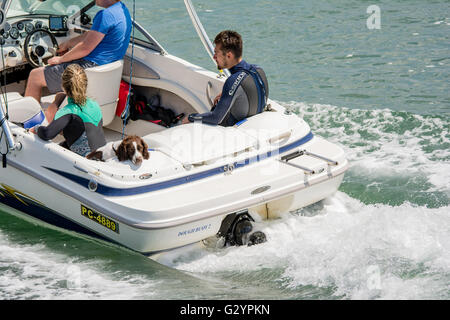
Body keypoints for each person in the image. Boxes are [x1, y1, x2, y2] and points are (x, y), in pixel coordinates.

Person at [25, 0, 132, 107]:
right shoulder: (122, 11)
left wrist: (60, 59)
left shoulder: (105, 15)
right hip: (104, 69)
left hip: (89, 67)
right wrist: (68, 44)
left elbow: (85, 48)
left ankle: (30, 120)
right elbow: (91, 35)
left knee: (35, 76)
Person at [184, 30, 269, 126]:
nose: (214, 57)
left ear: (229, 55)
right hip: (255, 123)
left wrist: (191, 117)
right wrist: (228, 94)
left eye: (216, 53)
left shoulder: (232, 81)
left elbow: (216, 118)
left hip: (232, 132)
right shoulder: (258, 69)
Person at [35, 64, 106, 157]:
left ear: (63, 86)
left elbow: (47, 134)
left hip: (85, 161)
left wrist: (36, 128)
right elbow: (82, 130)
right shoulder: (94, 104)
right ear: (85, 84)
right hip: (102, 154)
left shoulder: (68, 112)